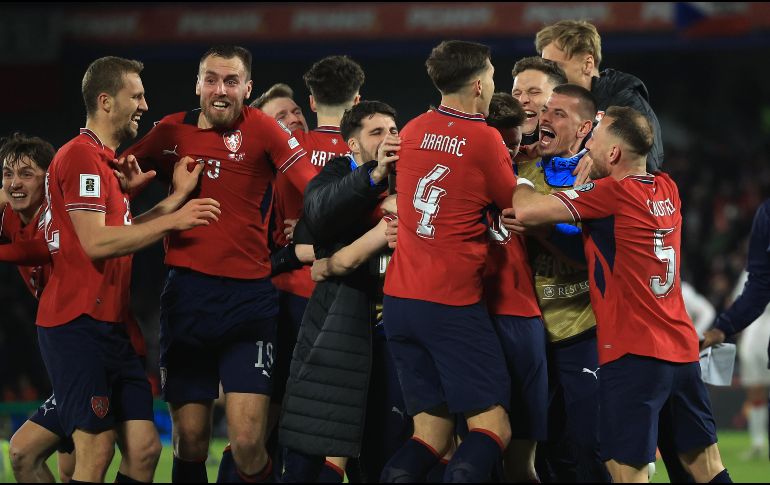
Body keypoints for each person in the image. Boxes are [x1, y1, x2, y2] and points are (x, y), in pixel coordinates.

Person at [123, 45, 319, 483]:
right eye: (211, 79)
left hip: (249, 300)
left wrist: (370, 195)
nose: (220, 90)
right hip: (188, 297)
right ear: (197, 84)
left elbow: (314, 188)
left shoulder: (266, 130)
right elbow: (115, 181)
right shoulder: (170, 132)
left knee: (249, 443)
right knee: (190, 440)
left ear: (247, 89)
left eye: (232, 81)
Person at [511, 106, 730, 483]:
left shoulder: (610, 193)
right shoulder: (667, 187)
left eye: (593, 142)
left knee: (624, 472)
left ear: (613, 154)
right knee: (706, 468)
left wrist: (524, 177)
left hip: (633, 354)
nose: (586, 150)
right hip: (680, 351)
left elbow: (526, 212)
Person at [36, 56, 220, 483]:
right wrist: (174, 221)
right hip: (77, 323)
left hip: (112, 325)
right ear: (105, 101)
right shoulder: (81, 157)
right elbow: (97, 243)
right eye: (135, 95)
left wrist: (173, 201)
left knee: (143, 449)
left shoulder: (105, 161)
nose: (144, 103)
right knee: (95, 451)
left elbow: (122, 232)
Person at [381, 40, 515, 483]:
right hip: (451, 302)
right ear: (478, 84)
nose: (495, 83)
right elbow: (513, 203)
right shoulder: (484, 137)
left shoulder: (413, 129)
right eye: (494, 75)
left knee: (431, 434)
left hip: (400, 301)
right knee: (492, 427)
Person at [278, 100, 400, 483]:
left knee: (382, 452)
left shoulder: (415, 179)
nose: (389, 139)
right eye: (376, 132)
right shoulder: (336, 175)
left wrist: (333, 259)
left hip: (393, 331)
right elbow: (314, 219)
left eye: (394, 130)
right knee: (311, 447)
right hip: (337, 327)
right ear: (352, 144)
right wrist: (375, 175)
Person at [510, 83, 609, 483]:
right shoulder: (522, 170)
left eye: (559, 114)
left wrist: (538, 227)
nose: (545, 118)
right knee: (542, 453)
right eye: (545, 110)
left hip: (583, 330)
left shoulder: (599, 177)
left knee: (589, 446)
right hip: (531, 334)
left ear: (585, 129)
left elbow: (589, 260)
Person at [482, 93, 545, 482]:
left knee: (521, 462)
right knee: (475, 449)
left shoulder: (533, 184)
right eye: (501, 143)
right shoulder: (457, 177)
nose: (509, 151)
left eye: (516, 142)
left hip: (525, 321)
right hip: (473, 319)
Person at [535, 19, 664, 174]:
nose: (548, 77)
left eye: (556, 67)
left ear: (587, 65)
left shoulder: (625, 101)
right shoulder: (549, 103)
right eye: (545, 68)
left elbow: (647, 164)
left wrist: (599, 159)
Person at [702, 199, 770, 461]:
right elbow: (756, 289)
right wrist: (723, 328)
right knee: (755, 388)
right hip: (756, 332)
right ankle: (757, 441)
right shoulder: (766, 214)